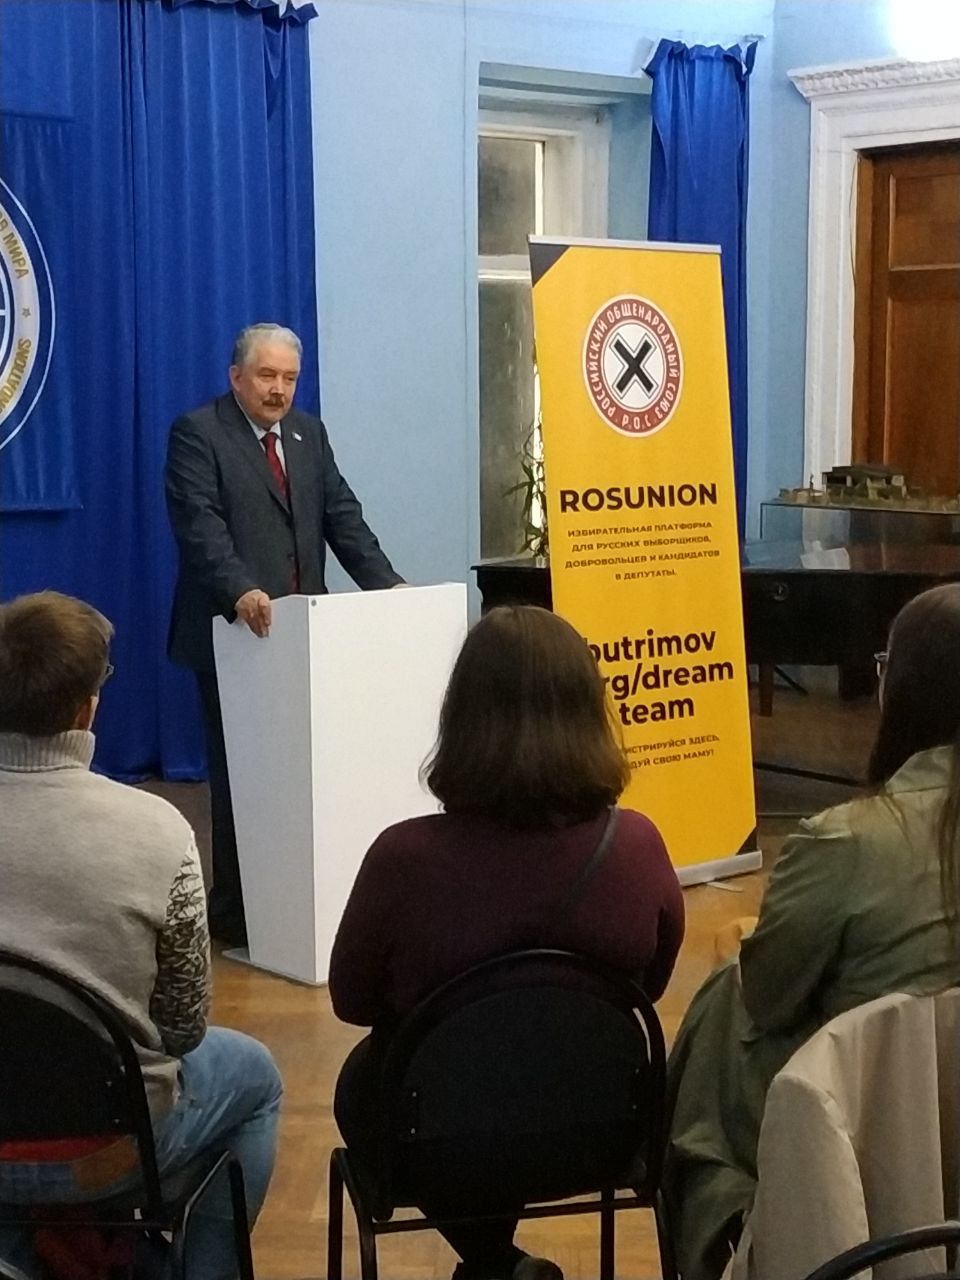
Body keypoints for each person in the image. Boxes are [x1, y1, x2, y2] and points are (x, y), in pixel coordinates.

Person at [329, 604, 685, 1280]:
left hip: (435, 1142)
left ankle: (496, 1264)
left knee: (376, 1080)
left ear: (462, 717)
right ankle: (499, 1266)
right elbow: (653, 983)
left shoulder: (403, 858)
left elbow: (352, 1002)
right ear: (590, 711)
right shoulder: (638, 845)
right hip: (600, 1131)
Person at [664, 581, 960, 1280]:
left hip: (869, 1147)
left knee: (723, 1006)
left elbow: (769, 999)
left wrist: (740, 954)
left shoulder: (844, 841)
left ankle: (724, 1232)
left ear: (904, 691)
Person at [0, 591, 282, 1280]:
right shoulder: (158, 831)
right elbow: (182, 1029)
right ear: (87, 708)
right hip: (112, 1150)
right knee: (255, 1077)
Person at [165, 323, 403, 945]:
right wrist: (241, 589)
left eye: (290, 378)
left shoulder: (308, 434)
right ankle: (237, 911)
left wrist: (391, 588)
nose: (279, 390)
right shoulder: (198, 433)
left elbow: (343, 519)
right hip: (235, 636)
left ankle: (298, 899)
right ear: (236, 376)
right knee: (242, 779)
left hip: (306, 640)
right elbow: (200, 528)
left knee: (303, 778)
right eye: (267, 376)